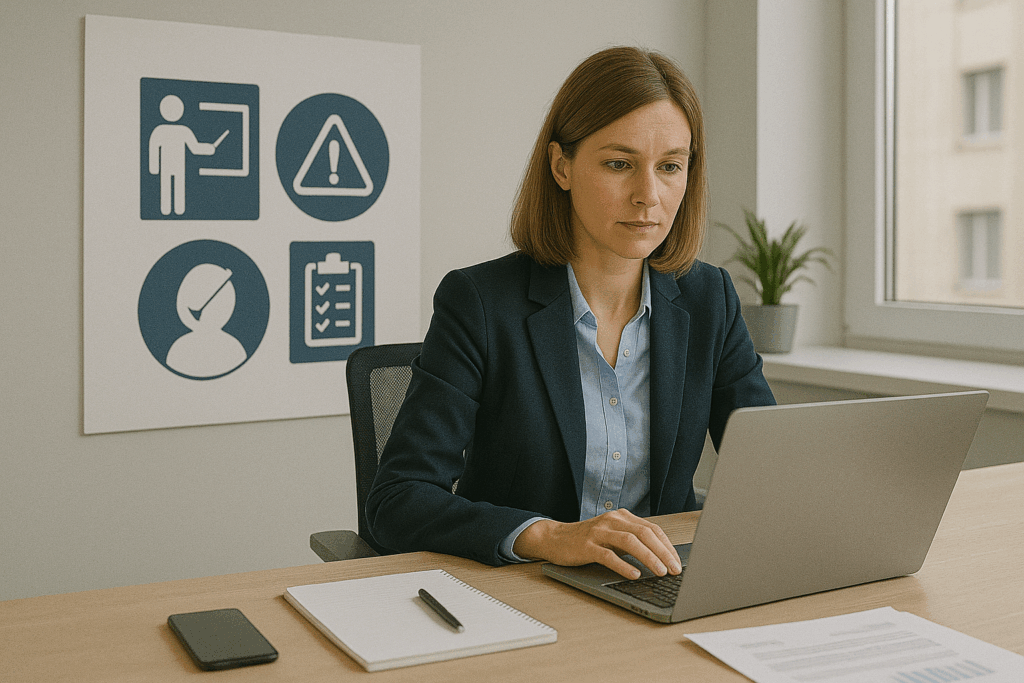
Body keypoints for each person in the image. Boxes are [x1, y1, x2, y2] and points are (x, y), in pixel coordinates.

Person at [365, 46, 775, 580]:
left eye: (670, 166)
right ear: (562, 166)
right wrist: (551, 536)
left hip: (655, 586)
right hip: (520, 592)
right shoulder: (482, 302)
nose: (648, 196)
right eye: (619, 164)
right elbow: (398, 500)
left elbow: (773, 471)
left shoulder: (709, 299)